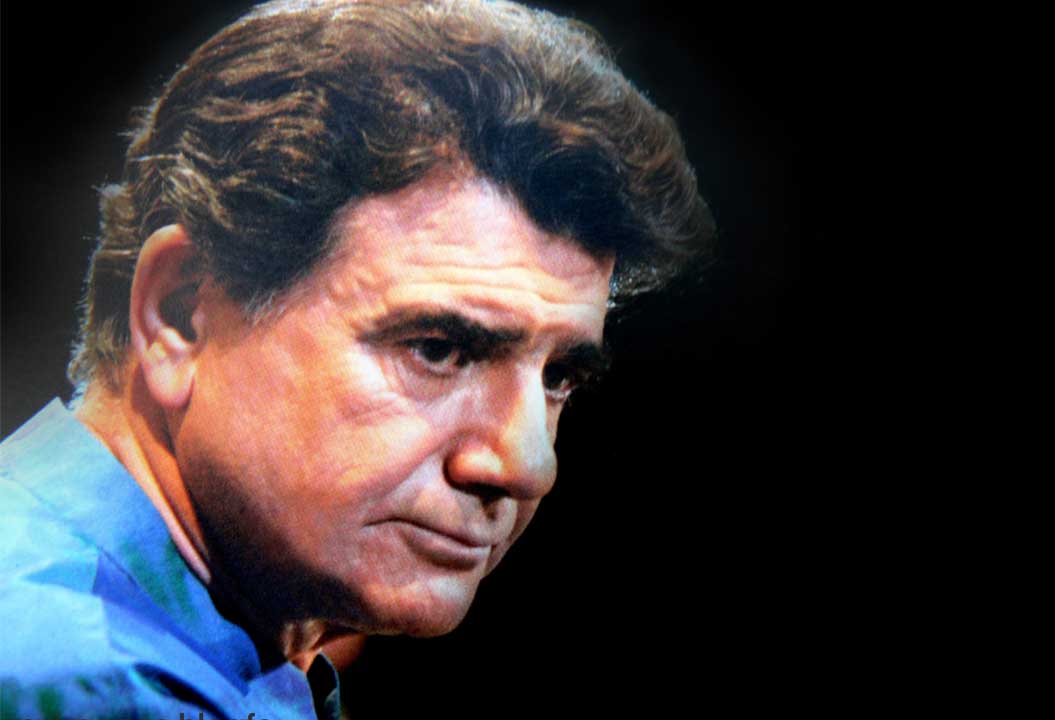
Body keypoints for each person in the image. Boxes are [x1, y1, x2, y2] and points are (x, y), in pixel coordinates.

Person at [0, 1, 714, 717]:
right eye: (438, 350)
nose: (527, 465)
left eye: (559, 377)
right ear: (181, 314)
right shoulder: (91, 681)